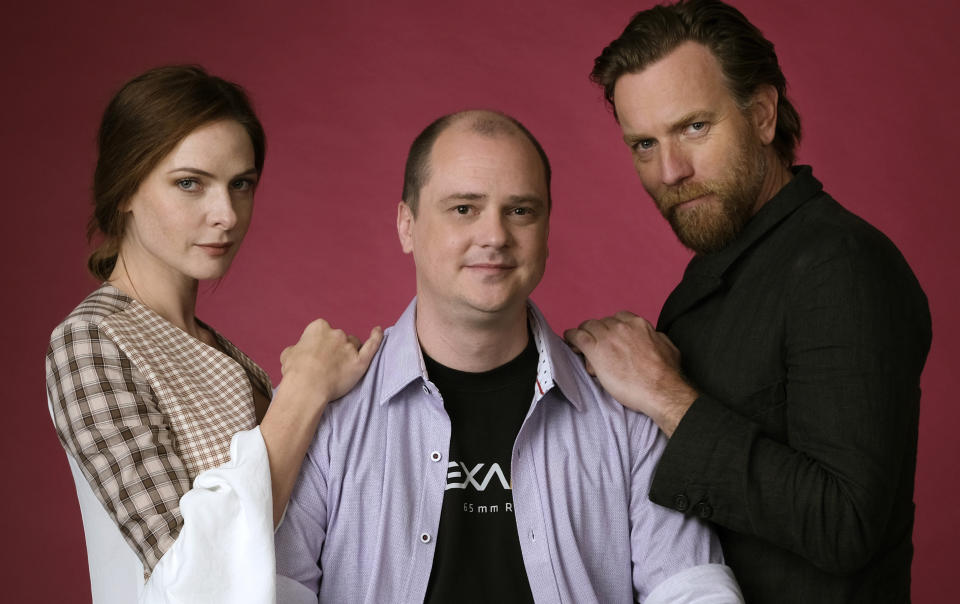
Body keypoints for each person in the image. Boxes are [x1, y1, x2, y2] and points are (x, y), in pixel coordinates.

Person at [274, 109, 743, 603]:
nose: (495, 236)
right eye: (464, 209)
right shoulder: (322, 409)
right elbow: (273, 591)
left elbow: (692, 588)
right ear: (406, 225)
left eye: (520, 210)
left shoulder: (625, 406)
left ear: (545, 231)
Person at [565, 1, 932, 602]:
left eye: (693, 127)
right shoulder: (721, 266)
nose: (670, 170)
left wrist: (664, 394)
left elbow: (845, 523)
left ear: (762, 115)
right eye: (644, 145)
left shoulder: (841, 264)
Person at [45, 65, 382, 603]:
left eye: (240, 184)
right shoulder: (92, 343)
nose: (226, 214)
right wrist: (304, 389)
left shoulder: (223, 356)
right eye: (189, 184)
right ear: (125, 187)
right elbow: (194, 576)